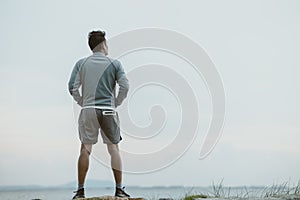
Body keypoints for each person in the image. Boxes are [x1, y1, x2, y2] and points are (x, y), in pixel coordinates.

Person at [68, 30, 130, 199]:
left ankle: (80, 191)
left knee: (85, 149)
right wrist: (116, 102)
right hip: (109, 110)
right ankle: (119, 190)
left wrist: (82, 101)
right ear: (103, 44)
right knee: (114, 149)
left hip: (88, 110)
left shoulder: (81, 63)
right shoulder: (115, 64)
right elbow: (125, 86)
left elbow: (71, 86)